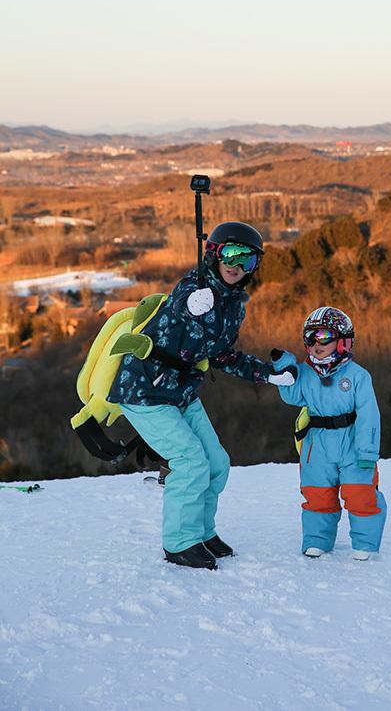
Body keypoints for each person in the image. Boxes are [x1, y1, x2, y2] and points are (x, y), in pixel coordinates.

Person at [107, 221, 295, 570]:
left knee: (217, 463)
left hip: (181, 390)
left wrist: (267, 375)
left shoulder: (235, 305)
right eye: (230, 253)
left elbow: (223, 354)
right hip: (145, 388)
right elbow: (177, 307)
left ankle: (202, 533)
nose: (237, 265)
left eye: (248, 260)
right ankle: (179, 543)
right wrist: (191, 305)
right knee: (190, 460)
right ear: (214, 253)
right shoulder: (193, 285)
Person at [271, 306, 386, 560]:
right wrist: (285, 367)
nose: (315, 344)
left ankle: (365, 544)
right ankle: (317, 540)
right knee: (317, 492)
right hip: (317, 444)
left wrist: (367, 451)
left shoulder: (358, 376)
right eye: (310, 338)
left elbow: (369, 415)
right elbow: (292, 396)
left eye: (323, 336)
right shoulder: (306, 372)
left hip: (352, 441)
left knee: (360, 492)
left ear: (343, 340)